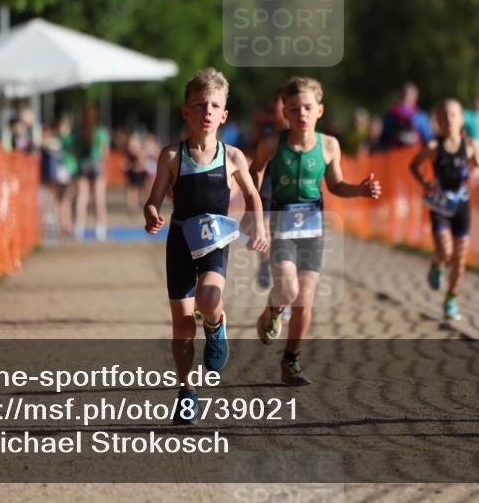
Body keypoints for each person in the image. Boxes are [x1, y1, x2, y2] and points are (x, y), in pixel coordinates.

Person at [144, 68, 268, 424]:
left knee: (209, 298)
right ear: (186, 111)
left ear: (224, 114)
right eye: (199, 105)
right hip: (180, 242)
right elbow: (153, 200)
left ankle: (215, 324)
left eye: (214, 105)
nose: (207, 112)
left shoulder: (233, 156)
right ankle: (187, 392)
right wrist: (151, 215)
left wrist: (258, 224)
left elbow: (252, 195)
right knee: (183, 327)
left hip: (215, 241)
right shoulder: (172, 156)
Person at [249, 77, 381, 385]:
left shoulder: (329, 145)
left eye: (308, 107)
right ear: (284, 111)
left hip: (313, 229)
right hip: (282, 225)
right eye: (294, 108)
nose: (302, 114)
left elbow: (336, 185)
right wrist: (254, 210)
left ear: (319, 110)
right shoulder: (272, 143)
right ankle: (272, 311)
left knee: (304, 298)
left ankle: (291, 362)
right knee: (287, 290)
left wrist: (360, 190)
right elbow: (255, 172)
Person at [409, 99, 479, 321]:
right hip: (440, 204)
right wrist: (425, 182)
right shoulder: (433, 147)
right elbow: (413, 166)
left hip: (462, 205)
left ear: (461, 119)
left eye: (453, 115)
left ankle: (451, 299)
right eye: (443, 116)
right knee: (445, 251)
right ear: (438, 121)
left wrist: (478, 173)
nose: (449, 120)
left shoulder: (471, 145)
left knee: (460, 258)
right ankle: (437, 264)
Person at [252, 90, 289, 290]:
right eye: (277, 104)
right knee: (265, 230)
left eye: (284, 104)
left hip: (289, 192)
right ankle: (264, 263)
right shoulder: (267, 131)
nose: (279, 108)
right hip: (267, 186)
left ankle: (283, 283)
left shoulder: (301, 132)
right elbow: (256, 162)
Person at [73, 105, 110, 241]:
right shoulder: (101, 132)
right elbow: (105, 152)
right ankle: (100, 230)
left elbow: (75, 150)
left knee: (81, 198)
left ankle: (79, 229)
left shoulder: (78, 131)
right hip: (97, 164)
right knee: (99, 199)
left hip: (83, 164)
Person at [379, 81, 433, 149]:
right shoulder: (391, 115)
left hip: (415, 152)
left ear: (416, 97)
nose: (406, 97)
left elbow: (428, 140)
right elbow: (383, 139)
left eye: (409, 94)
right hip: (394, 152)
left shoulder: (421, 117)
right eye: (404, 94)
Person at [124, 129, 148, 214]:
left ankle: (143, 205)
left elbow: (143, 163)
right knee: (131, 191)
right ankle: (132, 208)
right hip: (132, 174)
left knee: (142, 191)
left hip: (140, 173)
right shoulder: (129, 154)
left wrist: (138, 162)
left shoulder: (141, 152)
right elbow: (126, 164)